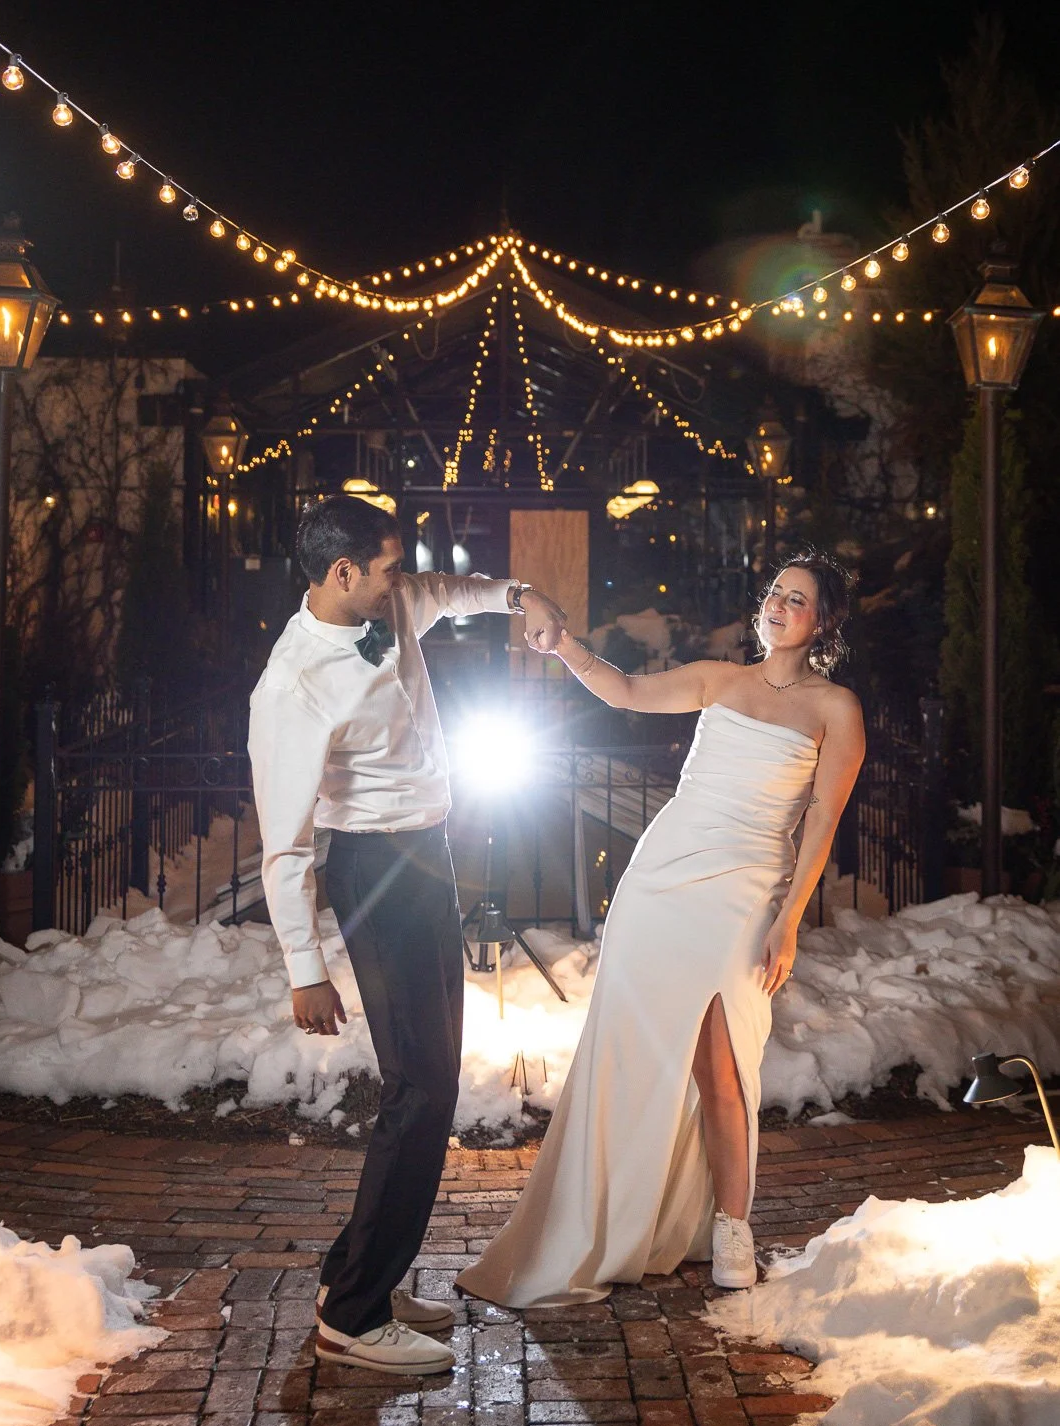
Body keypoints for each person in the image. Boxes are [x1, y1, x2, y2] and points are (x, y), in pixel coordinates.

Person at [456, 551, 865, 1308]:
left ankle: (731, 1226)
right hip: (660, 882)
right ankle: (612, 1220)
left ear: (824, 620)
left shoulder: (834, 709)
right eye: (774, 592)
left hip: (744, 894)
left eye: (796, 600)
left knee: (722, 1064)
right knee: (630, 1058)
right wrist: (564, 647)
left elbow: (822, 824)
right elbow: (624, 690)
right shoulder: (719, 677)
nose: (776, 606)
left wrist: (789, 920)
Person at [248, 494, 565, 1373]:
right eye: (390, 566)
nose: (405, 579)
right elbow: (284, 845)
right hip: (373, 873)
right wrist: (304, 969)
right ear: (342, 573)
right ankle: (352, 1315)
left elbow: (459, 591)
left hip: (426, 857)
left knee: (429, 1081)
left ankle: (358, 1275)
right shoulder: (291, 685)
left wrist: (520, 596)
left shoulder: (390, 603)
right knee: (418, 1091)